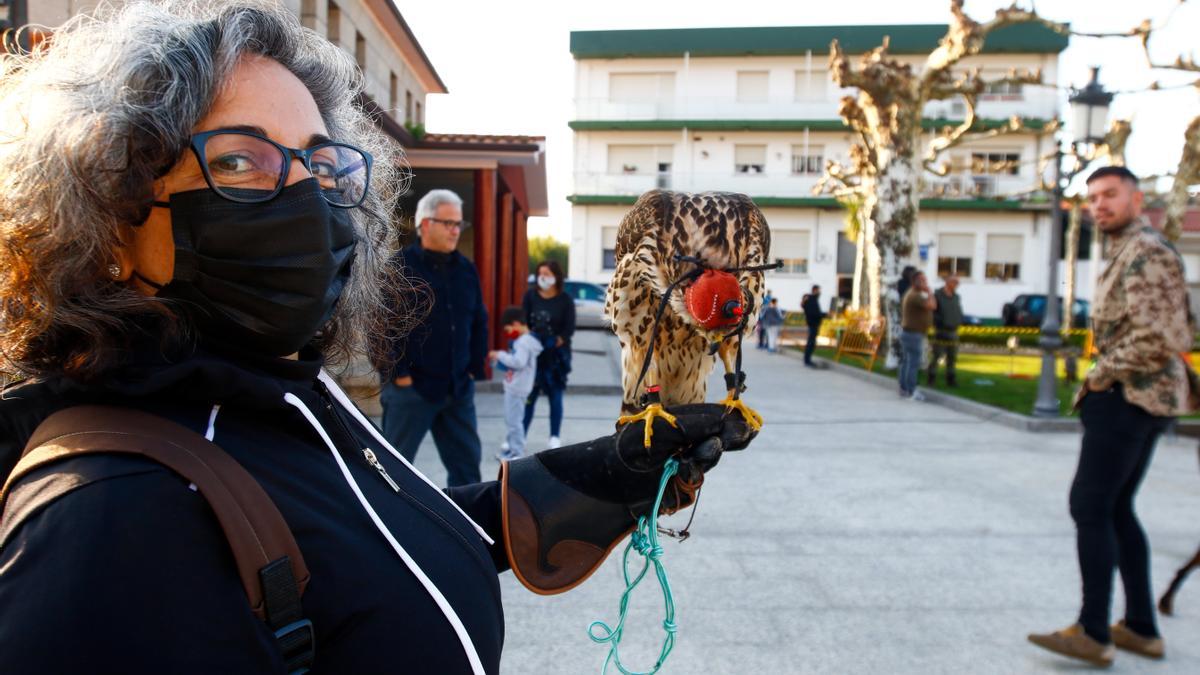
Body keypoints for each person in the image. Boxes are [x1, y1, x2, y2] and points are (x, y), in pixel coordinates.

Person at [0, 3, 756, 672]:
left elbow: (385, 538)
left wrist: (611, 475)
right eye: (240, 159)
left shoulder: (278, 396)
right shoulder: (103, 521)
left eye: (323, 168)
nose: (304, 195)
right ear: (105, 211)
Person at [1028, 166, 1196, 667]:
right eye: (1093, 197)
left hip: (1129, 396)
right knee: (1118, 509)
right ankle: (1141, 627)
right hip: (1137, 396)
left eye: (1110, 195)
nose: (1099, 205)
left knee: (1090, 506)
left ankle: (1093, 631)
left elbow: (1163, 337)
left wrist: (1100, 376)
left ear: (1137, 199)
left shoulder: (1147, 252)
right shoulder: (1131, 249)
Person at [378, 188, 487, 487]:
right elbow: (381, 326)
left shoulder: (466, 269)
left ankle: (467, 530)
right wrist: (398, 375)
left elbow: (478, 318)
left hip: (457, 388)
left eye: (459, 225)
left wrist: (474, 368)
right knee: (392, 471)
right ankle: (388, 528)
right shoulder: (400, 267)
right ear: (425, 224)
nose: (455, 231)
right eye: (449, 223)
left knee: (467, 472)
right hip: (411, 391)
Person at [520, 260, 574, 450]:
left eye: (547, 274)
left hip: (556, 357)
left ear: (556, 277)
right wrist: (531, 342)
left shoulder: (565, 299)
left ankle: (554, 437)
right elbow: (523, 322)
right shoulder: (530, 296)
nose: (543, 277)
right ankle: (520, 437)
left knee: (555, 397)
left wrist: (556, 341)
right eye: (540, 273)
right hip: (533, 355)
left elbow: (569, 328)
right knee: (528, 396)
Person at [489, 307, 541, 461]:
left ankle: (517, 452)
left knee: (514, 421)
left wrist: (500, 354)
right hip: (517, 386)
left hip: (517, 388)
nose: (508, 333)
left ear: (516, 323)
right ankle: (513, 449)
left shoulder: (523, 342)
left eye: (508, 328)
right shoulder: (527, 340)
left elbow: (518, 362)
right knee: (513, 419)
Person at [899, 271, 936, 400]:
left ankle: (904, 388)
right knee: (913, 363)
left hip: (909, 333)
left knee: (907, 361)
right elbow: (932, 305)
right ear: (915, 282)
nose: (925, 283)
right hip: (913, 334)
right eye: (923, 280)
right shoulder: (915, 296)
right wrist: (930, 292)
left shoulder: (912, 294)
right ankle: (911, 390)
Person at [927, 275, 963, 387]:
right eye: (955, 282)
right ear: (948, 282)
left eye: (958, 283)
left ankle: (951, 379)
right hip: (941, 330)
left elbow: (958, 310)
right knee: (937, 355)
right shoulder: (937, 295)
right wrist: (940, 322)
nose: (957, 285)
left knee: (952, 357)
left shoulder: (956, 297)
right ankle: (931, 378)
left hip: (953, 330)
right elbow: (932, 312)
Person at [801, 284, 826, 367]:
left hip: (813, 323)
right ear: (815, 290)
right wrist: (824, 315)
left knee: (811, 342)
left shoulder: (811, 299)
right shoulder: (811, 300)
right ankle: (807, 360)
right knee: (811, 342)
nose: (820, 292)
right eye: (818, 290)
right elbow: (814, 313)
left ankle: (807, 359)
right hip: (813, 323)